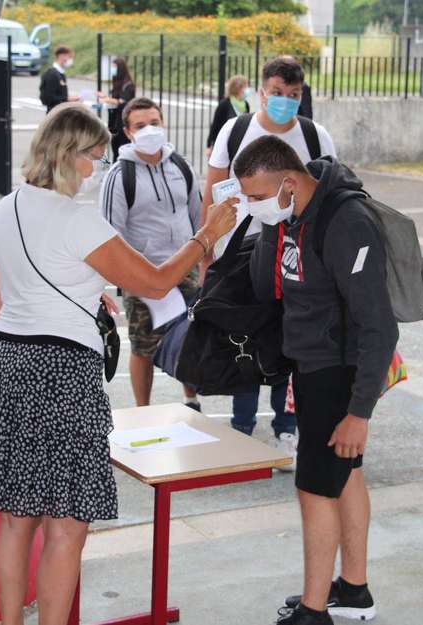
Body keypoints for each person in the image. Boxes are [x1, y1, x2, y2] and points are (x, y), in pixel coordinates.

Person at [0, 103, 237, 625]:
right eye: (95, 156)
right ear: (71, 156)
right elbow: (156, 283)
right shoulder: (78, 220)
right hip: (63, 372)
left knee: (16, 518)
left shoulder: (6, 207)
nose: (100, 167)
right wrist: (207, 235)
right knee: (67, 525)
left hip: (7, 364)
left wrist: (80, 292)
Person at [238, 135, 397, 625]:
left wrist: (359, 412)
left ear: (288, 182)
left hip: (338, 370)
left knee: (315, 488)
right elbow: (266, 286)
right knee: (344, 477)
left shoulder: (347, 220)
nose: (253, 206)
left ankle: (314, 610)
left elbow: (379, 324)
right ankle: (353, 590)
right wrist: (271, 225)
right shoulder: (292, 217)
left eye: (258, 197)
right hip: (311, 365)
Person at [200, 56, 337, 468]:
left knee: (290, 342)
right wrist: (207, 249)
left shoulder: (315, 136)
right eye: (277, 93)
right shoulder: (237, 129)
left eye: (294, 95)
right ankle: (241, 427)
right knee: (246, 337)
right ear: (261, 91)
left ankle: (286, 427)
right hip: (241, 254)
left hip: (298, 257)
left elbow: (330, 193)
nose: (285, 102)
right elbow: (211, 192)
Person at [100, 97, 202, 409]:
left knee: (191, 338)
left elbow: (198, 218)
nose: (149, 130)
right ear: (128, 133)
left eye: (154, 123)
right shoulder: (119, 175)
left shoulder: (182, 167)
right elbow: (109, 233)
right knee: (143, 345)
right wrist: (130, 277)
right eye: (141, 126)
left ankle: (191, 399)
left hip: (186, 270)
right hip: (142, 276)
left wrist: (202, 263)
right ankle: (143, 410)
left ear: (163, 123)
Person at [99, 57, 136, 161]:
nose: (112, 69)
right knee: (115, 146)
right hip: (115, 120)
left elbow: (122, 102)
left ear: (120, 68)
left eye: (114, 67)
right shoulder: (117, 82)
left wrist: (107, 99)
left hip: (123, 120)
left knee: (122, 148)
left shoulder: (128, 85)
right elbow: (115, 99)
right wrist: (105, 97)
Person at [206, 74, 252, 158]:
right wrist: (209, 145)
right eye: (246, 86)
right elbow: (215, 125)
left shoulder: (246, 105)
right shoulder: (225, 104)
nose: (248, 89)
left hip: (240, 144)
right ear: (238, 88)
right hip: (224, 144)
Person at [39, 46, 80, 113]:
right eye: (69, 57)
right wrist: (67, 99)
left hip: (61, 112)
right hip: (54, 113)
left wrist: (68, 98)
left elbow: (60, 94)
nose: (70, 60)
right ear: (61, 56)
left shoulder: (60, 74)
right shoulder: (51, 74)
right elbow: (49, 97)